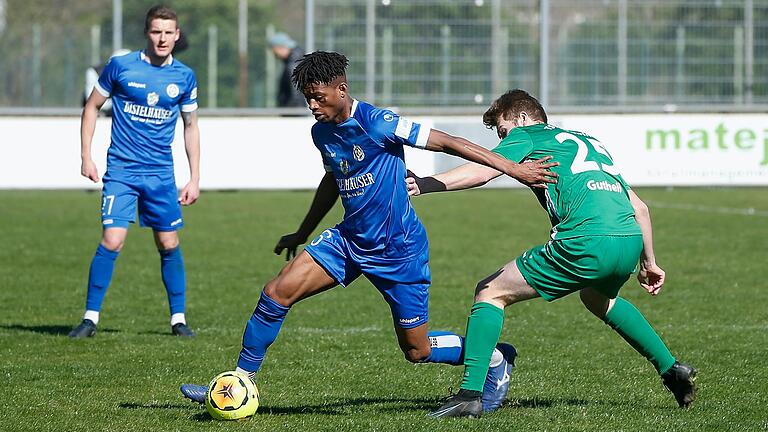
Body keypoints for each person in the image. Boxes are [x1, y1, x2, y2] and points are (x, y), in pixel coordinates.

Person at [179, 52, 557, 411]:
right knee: (276, 292)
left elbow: (450, 142)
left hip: (399, 250)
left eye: (318, 97)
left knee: (417, 350)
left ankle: (494, 357)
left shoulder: (380, 122)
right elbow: (332, 179)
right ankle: (238, 381)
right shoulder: (321, 132)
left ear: (341, 89)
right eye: (308, 99)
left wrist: (513, 168)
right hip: (348, 240)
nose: (313, 106)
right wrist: (301, 231)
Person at [405, 89, 697, 417]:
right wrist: (649, 262)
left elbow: (485, 169)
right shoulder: (585, 140)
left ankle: (470, 394)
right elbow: (640, 208)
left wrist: (427, 183)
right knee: (599, 300)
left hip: (586, 240)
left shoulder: (528, 134)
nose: (503, 139)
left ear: (524, 118)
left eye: (503, 131)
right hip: (628, 238)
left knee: (490, 291)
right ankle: (672, 370)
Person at [68, 5, 200, 338]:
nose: (162, 38)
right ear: (147, 33)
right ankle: (90, 318)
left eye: (169, 32)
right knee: (112, 240)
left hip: (160, 175)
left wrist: (195, 177)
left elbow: (191, 126)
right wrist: (86, 156)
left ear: (177, 35)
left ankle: (178, 319)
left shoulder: (184, 76)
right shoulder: (121, 67)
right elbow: (91, 107)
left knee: (168, 242)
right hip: (122, 171)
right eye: (157, 31)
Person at [268, 32, 306, 108]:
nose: (274, 54)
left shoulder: (293, 64)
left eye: (274, 51)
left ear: (281, 47)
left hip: (294, 113)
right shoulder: (295, 61)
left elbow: (296, 94)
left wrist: (288, 112)